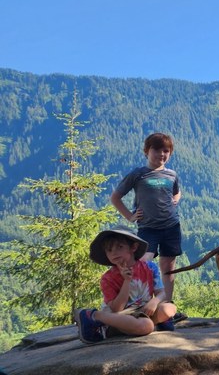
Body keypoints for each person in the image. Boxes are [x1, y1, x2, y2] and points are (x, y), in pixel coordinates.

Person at [110, 132, 186, 323]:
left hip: (171, 227)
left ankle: (167, 308)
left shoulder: (172, 174)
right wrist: (130, 216)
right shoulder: (138, 174)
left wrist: (173, 202)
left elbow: (177, 193)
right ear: (147, 151)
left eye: (166, 151)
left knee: (168, 268)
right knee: (143, 265)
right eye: (157, 150)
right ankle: (142, 306)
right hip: (148, 229)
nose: (161, 154)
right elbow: (115, 197)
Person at [74, 225, 178, 344]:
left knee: (169, 308)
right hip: (119, 317)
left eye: (119, 247)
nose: (114, 253)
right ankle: (94, 316)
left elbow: (162, 293)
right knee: (147, 326)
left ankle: (154, 323)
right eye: (109, 250)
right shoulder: (107, 278)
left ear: (133, 247)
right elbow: (117, 309)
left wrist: (154, 302)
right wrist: (126, 281)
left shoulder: (150, 268)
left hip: (143, 311)